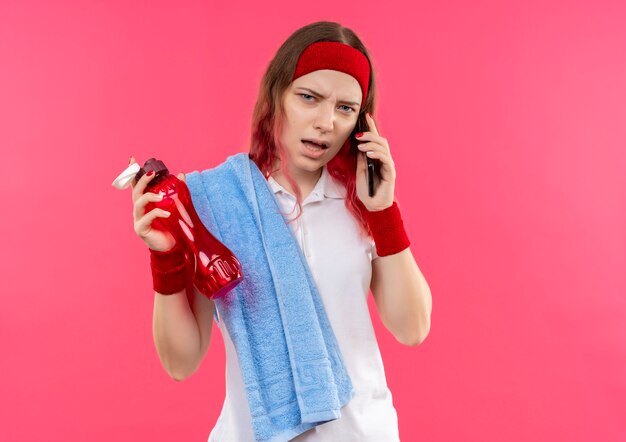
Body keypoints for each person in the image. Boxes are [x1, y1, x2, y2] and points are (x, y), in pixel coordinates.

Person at [129, 21, 432, 442]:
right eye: (309, 98)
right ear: (277, 97)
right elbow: (181, 363)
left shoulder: (364, 203)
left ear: (361, 122)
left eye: (345, 108)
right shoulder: (217, 201)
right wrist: (165, 258)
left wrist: (383, 213)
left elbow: (412, 328)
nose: (326, 122)